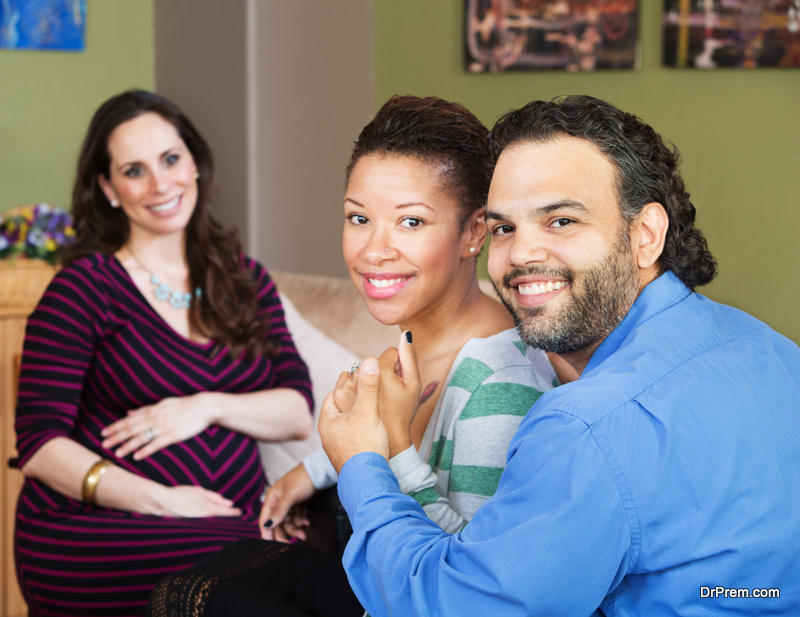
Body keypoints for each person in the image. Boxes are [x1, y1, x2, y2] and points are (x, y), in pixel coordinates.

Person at [319, 95, 800, 616]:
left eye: (562, 221)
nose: (522, 253)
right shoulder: (767, 346)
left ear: (646, 235)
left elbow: (454, 606)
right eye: (506, 227)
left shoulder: (584, 425)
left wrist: (363, 465)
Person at [147, 95, 570, 616]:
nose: (374, 250)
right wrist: (314, 470)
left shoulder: (499, 383)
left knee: (195, 603)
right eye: (358, 218)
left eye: (411, 222)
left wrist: (386, 449)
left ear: (474, 232)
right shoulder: (417, 340)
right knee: (206, 579)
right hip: (387, 592)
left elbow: (476, 584)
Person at [14, 90, 313, 617]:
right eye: (135, 170)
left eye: (171, 159)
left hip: (225, 524)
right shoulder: (83, 287)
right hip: (98, 528)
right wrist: (162, 500)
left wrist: (208, 404)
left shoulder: (244, 281)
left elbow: (295, 411)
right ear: (108, 188)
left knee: (317, 579)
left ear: (194, 163)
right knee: (291, 572)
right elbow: (40, 447)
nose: (160, 184)